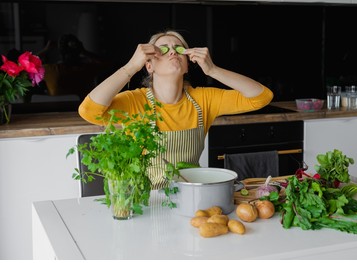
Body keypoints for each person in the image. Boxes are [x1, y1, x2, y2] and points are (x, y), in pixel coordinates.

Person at [78, 30, 273, 189]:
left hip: (191, 194)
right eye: (163, 49)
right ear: (148, 65)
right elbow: (89, 111)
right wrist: (131, 66)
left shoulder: (204, 99)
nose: (172, 52)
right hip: (144, 199)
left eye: (178, 49)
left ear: (188, 65)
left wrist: (213, 70)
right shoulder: (134, 101)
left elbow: (261, 97)